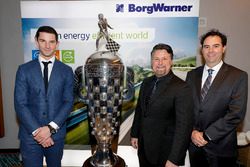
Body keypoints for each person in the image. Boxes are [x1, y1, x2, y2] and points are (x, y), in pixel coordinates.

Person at [186, 29, 248, 167]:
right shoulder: (192, 75)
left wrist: (206, 135)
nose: (210, 50)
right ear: (202, 50)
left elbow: (236, 114)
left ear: (224, 48)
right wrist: (192, 132)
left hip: (221, 150)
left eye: (216, 46)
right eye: (206, 46)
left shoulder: (238, 76)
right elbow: (185, 108)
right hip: (194, 147)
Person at [14, 26, 74, 167]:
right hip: (30, 136)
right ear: (36, 42)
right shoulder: (24, 70)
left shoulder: (66, 71)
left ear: (57, 44)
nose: (47, 46)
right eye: (43, 41)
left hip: (56, 136)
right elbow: (20, 104)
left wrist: (50, 129)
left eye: (51, 42)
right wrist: (38, 132)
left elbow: (68, 101)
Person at [130, 43, 194, 167]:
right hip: (143, 148)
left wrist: (174, 159)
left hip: (165, 153)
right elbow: (140, 111)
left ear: (171, 62)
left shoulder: (181, 87)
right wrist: (135, 134)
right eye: (156, 59)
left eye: (164, 59)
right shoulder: (146, 82)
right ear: (151, 61)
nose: (160, 63)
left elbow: (184, 127)